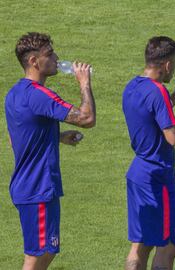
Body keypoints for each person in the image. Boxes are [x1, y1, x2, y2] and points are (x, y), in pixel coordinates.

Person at [5, 32, 96, 270]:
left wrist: (57, 137)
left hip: (29, 186)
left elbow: (16, 138)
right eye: (49, 54)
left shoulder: (15, 93)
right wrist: (84, 84)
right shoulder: (40, 95)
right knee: (37, 256)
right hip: (38, 188)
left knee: (46, 252)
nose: (56, 58)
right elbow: (86, 118)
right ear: (34, 61)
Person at [122, 36, 175, 270]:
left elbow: (148, 114)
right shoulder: (158, 91)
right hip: (157, 177)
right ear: (168, 65)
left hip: (137, 173)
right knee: (168, 246)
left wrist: (173, 99)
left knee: (140, 245)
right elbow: (173, 137)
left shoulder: (132, 86)